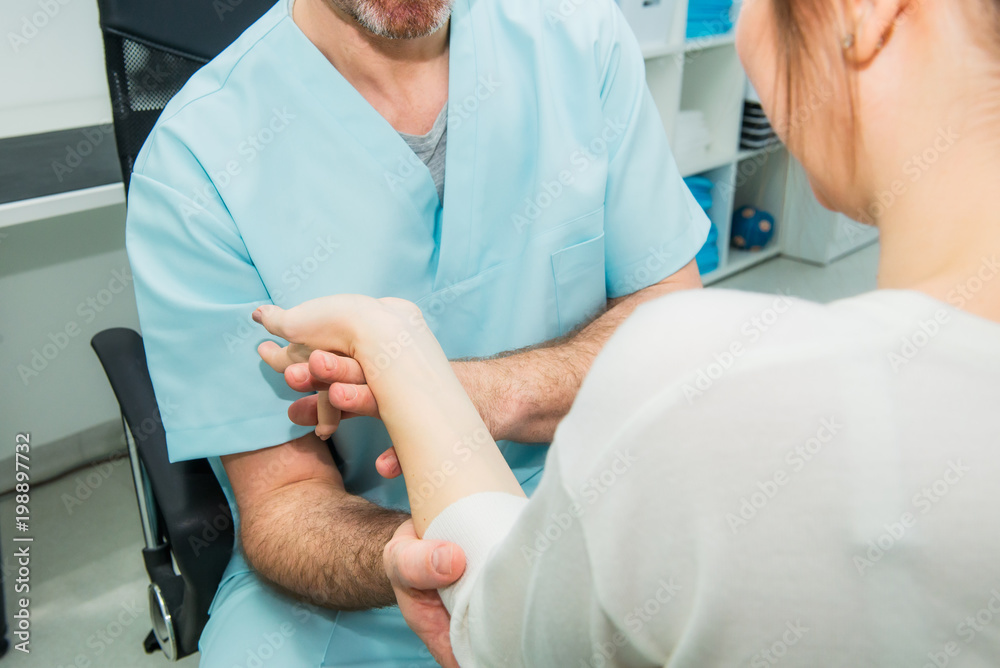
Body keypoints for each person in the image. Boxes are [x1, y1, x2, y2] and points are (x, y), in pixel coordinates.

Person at [252, 0, 1000, 665]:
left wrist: (397, 349)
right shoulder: (208, 148)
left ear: (867, 12)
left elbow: (508, 632)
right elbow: (279, 499)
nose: (742, 29)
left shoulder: (713, 390)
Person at [124, 0, 709, 663]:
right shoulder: (197, 163)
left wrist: (469, 394)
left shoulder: (577, 41)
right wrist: (414, 558)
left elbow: (673, 326)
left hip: (600, 512)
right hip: (367, 576)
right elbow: (285, 501)